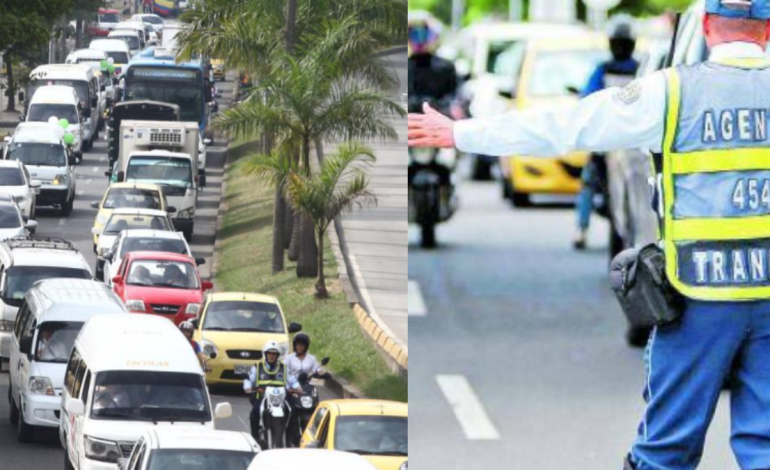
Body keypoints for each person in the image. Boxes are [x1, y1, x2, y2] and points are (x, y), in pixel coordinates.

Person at [408, 2, 770, 469]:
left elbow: (568, 125)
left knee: (665, 452)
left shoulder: (674, 90)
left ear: (704, 26)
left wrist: (462, 134)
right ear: (767, 29)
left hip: (699, 294)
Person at [573, 16, 640, 250]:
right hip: (631, 142)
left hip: (606, 138)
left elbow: (586, 99)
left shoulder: (603, 70)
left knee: (588, 183)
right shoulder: (639, 70)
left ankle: (581, 230)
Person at [407, 11, 462, 118]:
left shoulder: (446, 67)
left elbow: (453, 99)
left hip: (437, 126)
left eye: (424, 32)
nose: (419, 38)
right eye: (413, 33)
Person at [243, 342, 287, 446]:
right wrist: (248, 387)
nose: (271, 356)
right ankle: (255, 438)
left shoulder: (284, 368)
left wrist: (296, 387)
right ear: (265, 354)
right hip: (263, 398)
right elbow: (250, 379)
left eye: (274, 354)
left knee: (292, 410)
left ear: (277, 356)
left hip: (280, 398)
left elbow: (292, 381)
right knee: (254, 413)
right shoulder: (257, 367)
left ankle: (291, 437)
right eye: (269, 354)